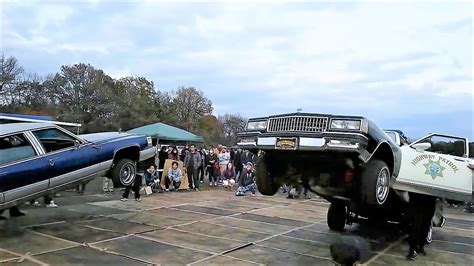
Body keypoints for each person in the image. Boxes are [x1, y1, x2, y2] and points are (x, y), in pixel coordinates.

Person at [406, 192, 437, 260]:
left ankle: (415, 249)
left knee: (419, 225)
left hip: (419, 198)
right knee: (421, 225)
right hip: (427, 199)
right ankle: (417, 248)